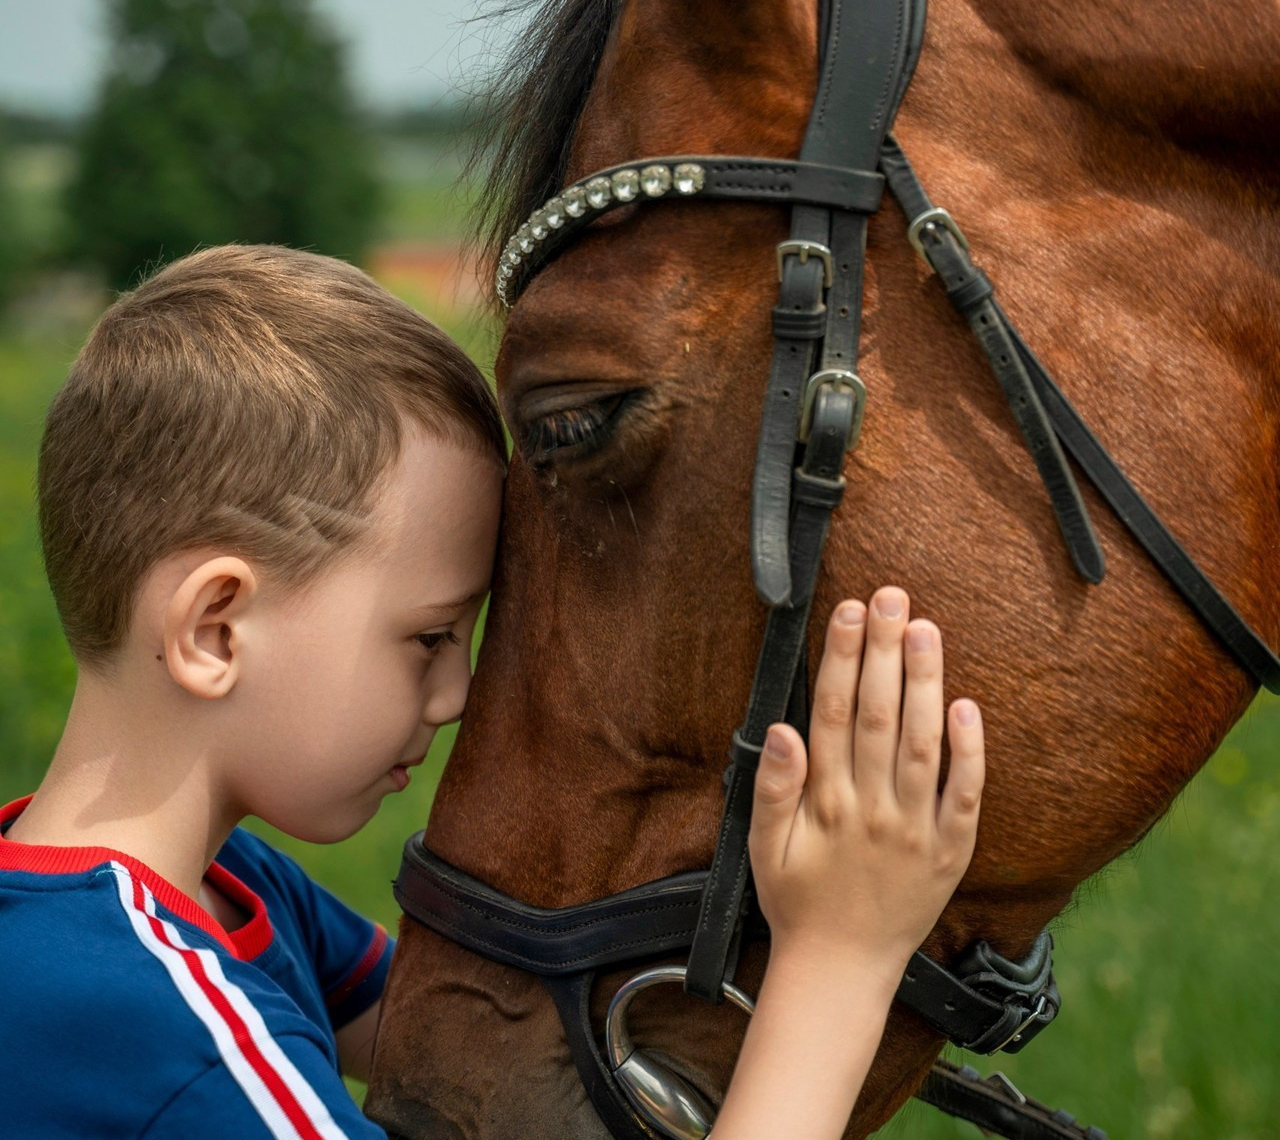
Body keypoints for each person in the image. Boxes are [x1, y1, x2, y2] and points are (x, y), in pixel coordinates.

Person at [0, 244, 984, 1140]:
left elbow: (485, 1045)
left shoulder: (225, 887)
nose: (457, 693)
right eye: (429, 636)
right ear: (214, 629)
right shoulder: (165, 1025)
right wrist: (840, 959)